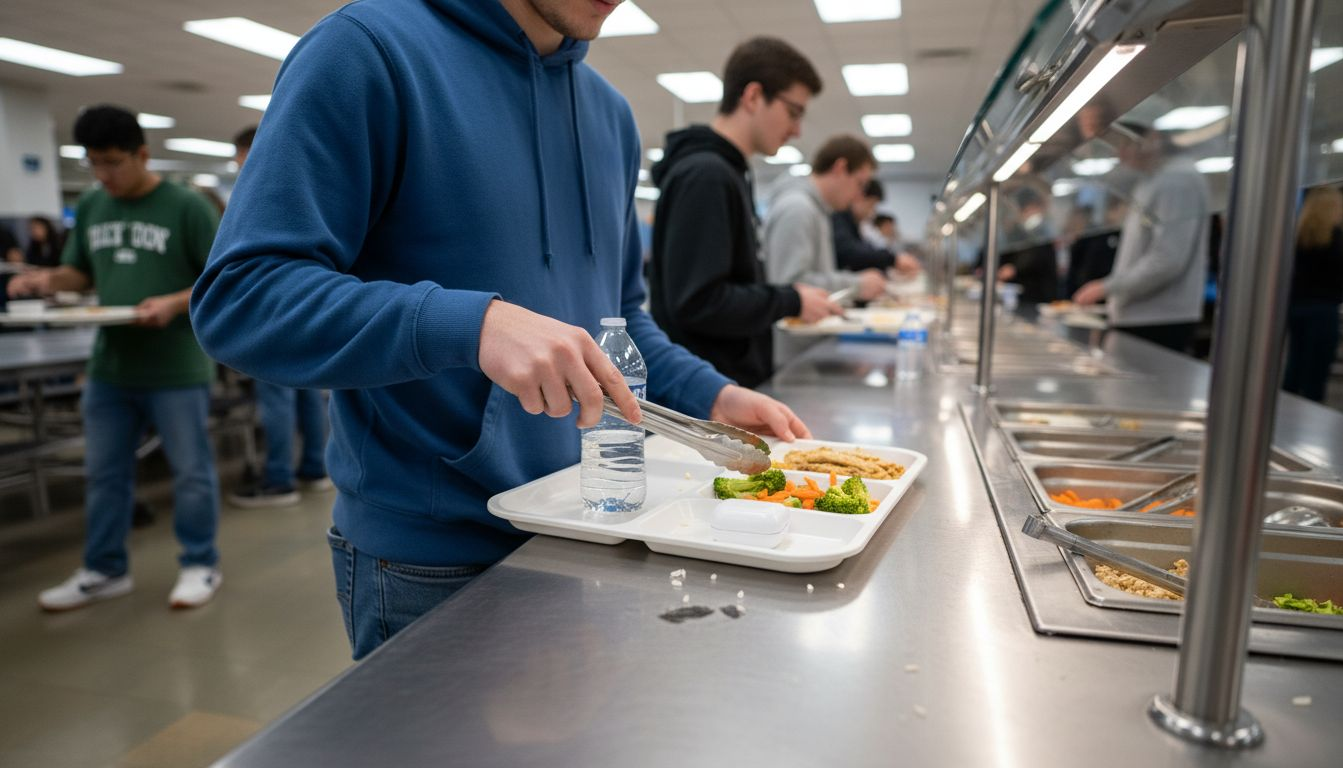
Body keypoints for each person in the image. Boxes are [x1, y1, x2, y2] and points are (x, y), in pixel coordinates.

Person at [190, 0, 810, 660]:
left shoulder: (610, 114)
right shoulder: (367, 50)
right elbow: (242, 297)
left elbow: (618, 318)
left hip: (585, 527)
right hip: (431, 562)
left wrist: (711, 397)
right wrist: (472, 324)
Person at [8, 105, 223, 611]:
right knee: (104, 472)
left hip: (176, 366)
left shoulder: (187, 207)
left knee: (190, 471)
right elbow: (79, 272)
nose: (102, 175)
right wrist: (44, 281)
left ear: (141, 154)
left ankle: (200, 562)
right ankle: (104, 568)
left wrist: (172, 303)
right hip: (110, 366)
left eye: (111, 162)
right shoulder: (91, 206)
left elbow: (222, 281)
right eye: (93, 164)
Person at [647, 36, 841, 389]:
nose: (797, 130)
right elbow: (698, 302)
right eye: (793, 112)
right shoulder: (707, 175)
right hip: (705, 392)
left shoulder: (730, 172)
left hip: (724, 385)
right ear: (753, 97)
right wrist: (789, 300)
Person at [224, 125, 332, 508]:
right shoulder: (309, 186)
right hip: (308, 304)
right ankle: (315, 468)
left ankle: (279, 478)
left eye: (242, 158)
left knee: (278, 398)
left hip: (276, 311)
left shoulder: (266, 192)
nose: (241, 167)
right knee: (306, 392)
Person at [1073, 123, 1210, 353]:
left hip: (1158, 319)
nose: (1120, 154)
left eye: (1125, 144)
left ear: (1152, 139)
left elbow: (1168, 259)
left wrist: (1107, 287)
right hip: (1140, 315)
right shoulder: (1152, 180)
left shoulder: (1176, 180)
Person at [764, 135, 886, 365]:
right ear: (840, 168)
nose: (859, 195)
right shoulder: (798, 209)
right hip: (793, 356)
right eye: (860, 183)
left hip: (809, 348)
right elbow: (789, 285)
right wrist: (857, 285)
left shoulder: (818, 211)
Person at [1283, 186, 1343, 402]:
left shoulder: (1298, 237)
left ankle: (1281, 420)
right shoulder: (1335, 240)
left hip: (1296, 308)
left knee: (1294, 368)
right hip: (1323, 311)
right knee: (1315, 375)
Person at [831, 179, 920, 274]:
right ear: (860, 196)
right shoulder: (838, 218)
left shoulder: (853, 224)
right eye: (871, 205)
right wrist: (892, 260)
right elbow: (850, 252)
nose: (872, 212)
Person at [996, 188, 1058, 305]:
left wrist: (1015, 268)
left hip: (1040, 293)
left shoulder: (1044, 229)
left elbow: (1039, 256)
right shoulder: (1018, 231)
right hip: (1022, 293)